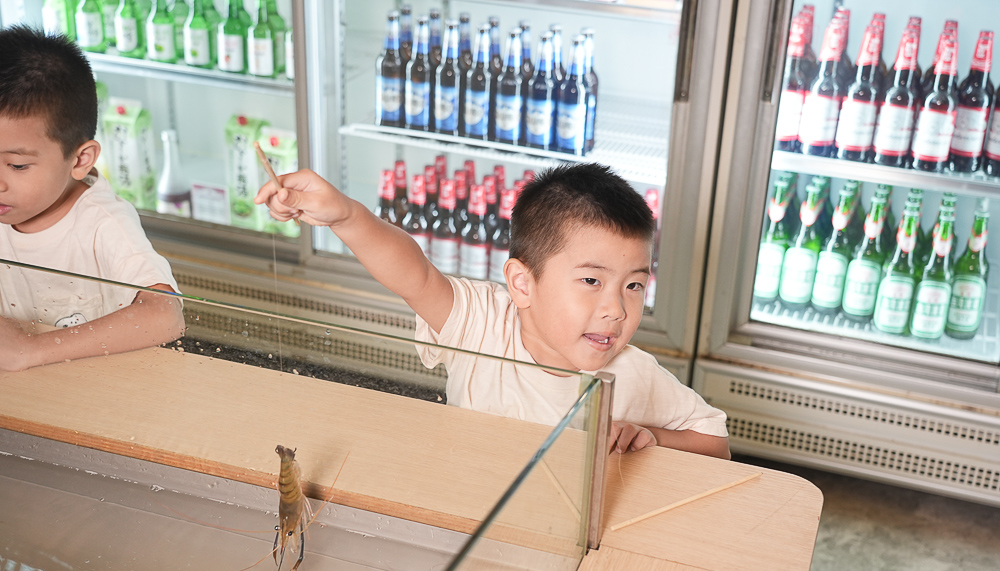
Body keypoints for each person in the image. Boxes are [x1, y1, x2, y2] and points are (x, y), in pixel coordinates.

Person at [255, 163, 729, 458]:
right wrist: (347, 215)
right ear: (522, 284)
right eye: (591, 281)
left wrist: (652, 438)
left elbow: (715, 443)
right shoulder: (482, 324)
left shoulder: (633, 373)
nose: (615, 308)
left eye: (634, 286)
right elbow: (414, 274)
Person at [0, 26, 184, 372]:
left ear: (80, 159)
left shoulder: (102, 222)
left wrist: (31, 350)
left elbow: (166, 315)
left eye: (17, 165)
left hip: (105, 387)